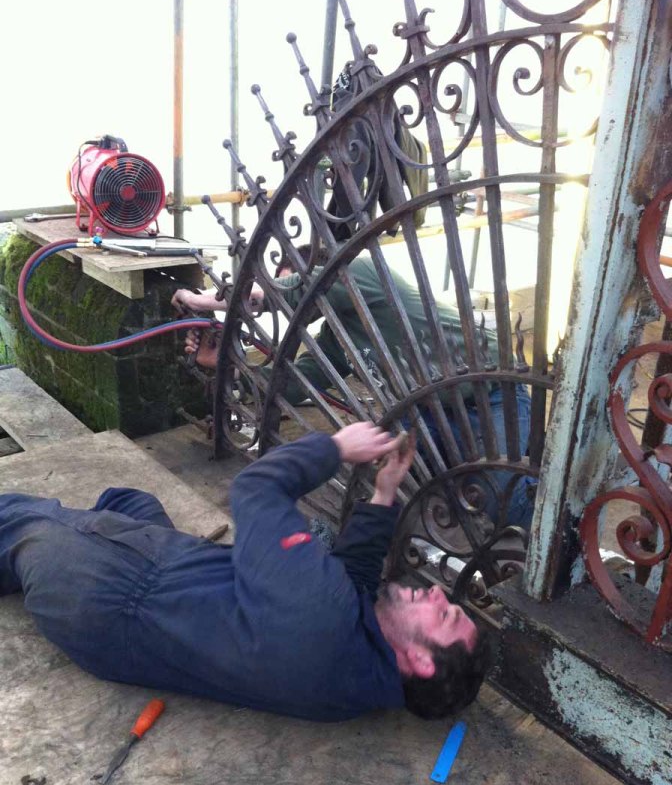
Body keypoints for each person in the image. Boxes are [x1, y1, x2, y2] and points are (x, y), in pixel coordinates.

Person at [0, 422, 489, 722]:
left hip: (104, 591)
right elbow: (356, 589)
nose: (438, 596)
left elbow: (255, 489)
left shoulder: (319, 613)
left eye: (444, 617)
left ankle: (44, 540)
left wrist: (335, 448)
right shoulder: (362, 679)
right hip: (133, 626)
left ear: (420, 661)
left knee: (27, 518)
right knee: (130, 501)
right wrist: (383, 496)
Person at [172, 250, 535, 528]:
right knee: (383, 487)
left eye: (301, 280)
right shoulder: (336, 338)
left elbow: (288, 293)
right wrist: (226, 364)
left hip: (490, 391)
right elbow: (294, 385)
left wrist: (203, 300)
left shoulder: (361, 272)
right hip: (428, 410)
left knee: (509, 500)